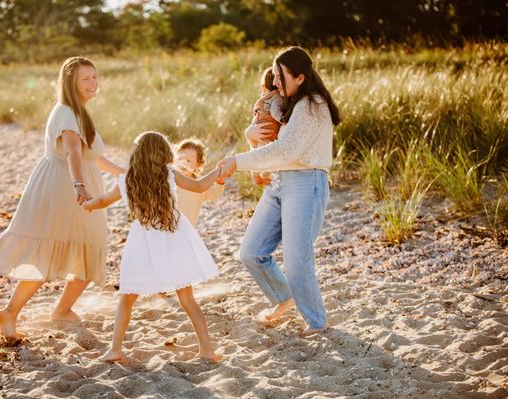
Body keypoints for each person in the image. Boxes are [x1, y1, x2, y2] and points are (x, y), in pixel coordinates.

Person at [0, 56, 125, 340]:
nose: (93, 82)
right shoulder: (67, 112)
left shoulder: (79, 111)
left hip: (77, 183)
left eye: (95, 76)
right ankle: (10, 312)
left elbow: (92, 154)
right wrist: (80, 185)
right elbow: (72, 152)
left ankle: (61, 310)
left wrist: (123, 172)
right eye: (86, 78)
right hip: (64, 187)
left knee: (89, 247)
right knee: (50, 252)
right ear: (72, 83)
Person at [218, 46, 341, 336]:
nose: (274, 83)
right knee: (251, 252)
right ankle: (284, 298)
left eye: (279, 77)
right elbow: (268, 136)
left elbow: (285, 150)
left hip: (305, 183)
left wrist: (237, 162)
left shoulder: (312, 105)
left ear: (299, 77)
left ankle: (317, 322)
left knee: (297, 261)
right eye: (273, 75)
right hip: (279, 184)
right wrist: (250, 135)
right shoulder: (289, 103)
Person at [83, 131, 223, 362]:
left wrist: (88, 204)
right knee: (187, 298)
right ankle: (207, 350)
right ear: (164, 153)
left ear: (137, 154)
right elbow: (198, 186)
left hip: (144, 239)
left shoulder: (127, 180)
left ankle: (116, 349)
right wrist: (219, 171)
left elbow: (103, 201)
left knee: (127, 297)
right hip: (174, 236)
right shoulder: (169, 174)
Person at [174, 138, 224, 226]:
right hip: (170, 224)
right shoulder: (171, 178)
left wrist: (219, 182)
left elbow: (215, 194)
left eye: (188, 161)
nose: (183, 163)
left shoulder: (200, 183)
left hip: (188, 226)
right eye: (180, 159)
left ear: (198, 165)